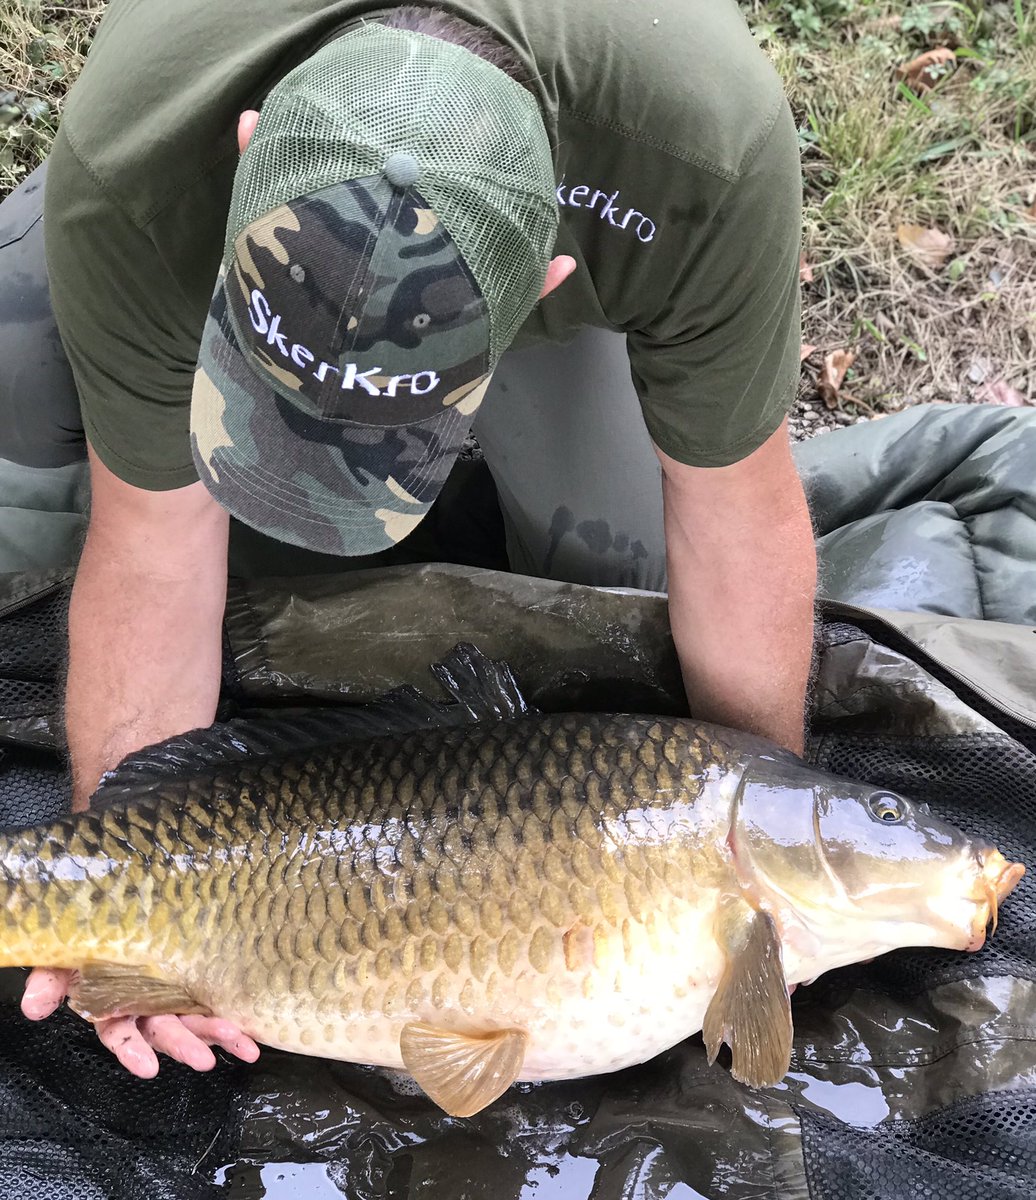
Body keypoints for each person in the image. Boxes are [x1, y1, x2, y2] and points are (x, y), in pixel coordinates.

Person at [1, 2, 816, 1076]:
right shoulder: (142, 161)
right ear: (251, 153)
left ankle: (470, 407)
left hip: (589, 220)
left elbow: (735, 516)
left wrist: (765, 845)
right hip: (173, 191)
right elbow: (151, 544)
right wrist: (107, 889)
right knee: (16, 358)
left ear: (543, 283)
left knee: (611, 571)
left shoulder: (702, 152)